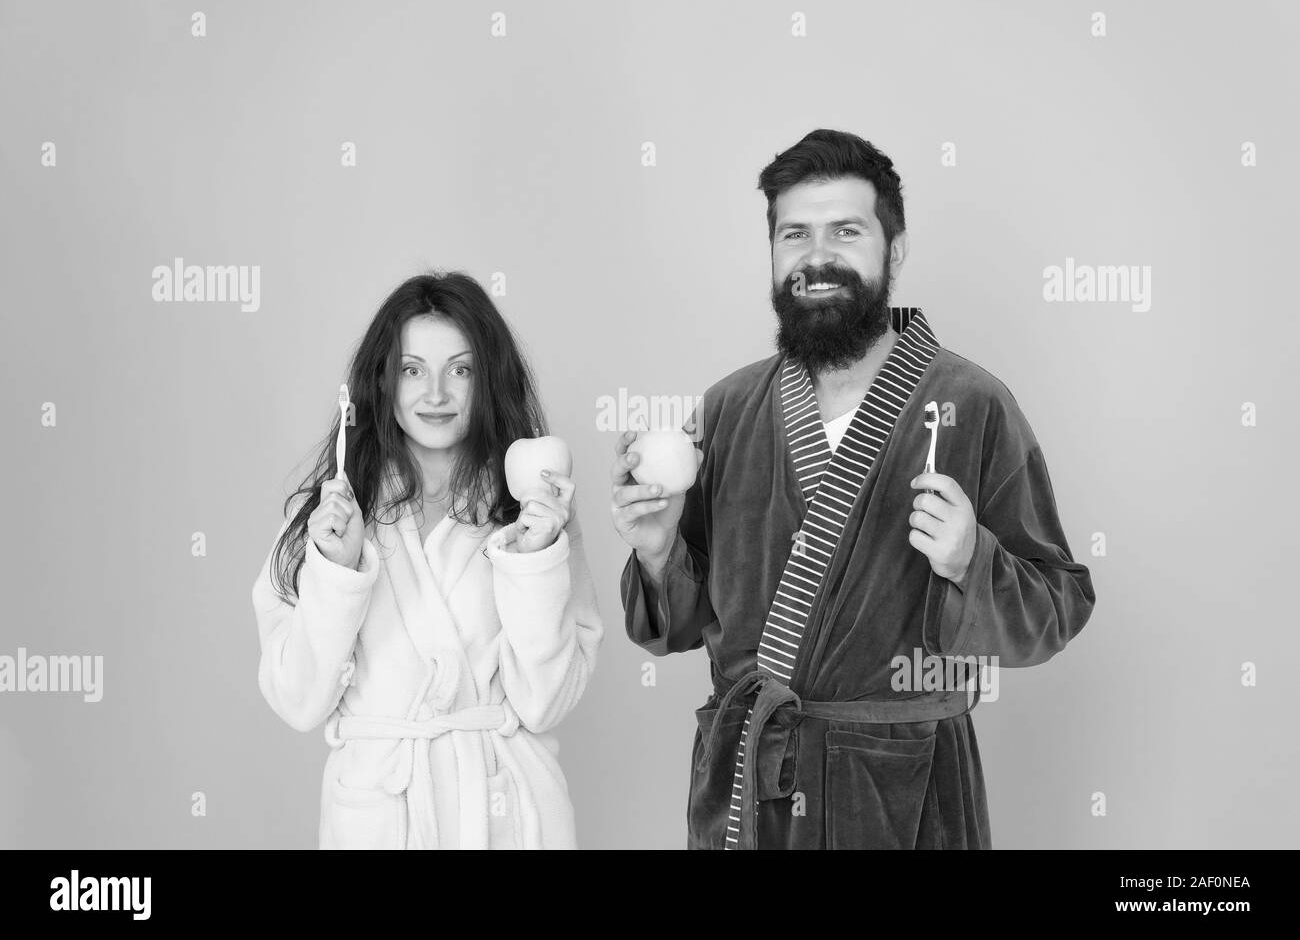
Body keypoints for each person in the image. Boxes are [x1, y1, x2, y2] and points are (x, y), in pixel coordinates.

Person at [612, 129, 1096, 850]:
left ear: (893, 251)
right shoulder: (727, 409)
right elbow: (680, 626)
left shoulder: (972, 403)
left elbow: (1059, 603)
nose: (816, 257)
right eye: (794, 234)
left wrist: (973, 561)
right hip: (756, 796)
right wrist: (656, 554)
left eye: (845, 231)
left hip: (904, 793)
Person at [252, 272, 602, 849]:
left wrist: (534, 559)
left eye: (460, 370)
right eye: (412, 370)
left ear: (487, 381)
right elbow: (297, 699)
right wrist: (335, 573)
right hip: (381, 816)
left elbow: (544, 703)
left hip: (503, 815)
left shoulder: (532, 509)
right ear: (383, 383)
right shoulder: (335, 515)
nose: (435, 393)